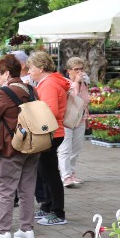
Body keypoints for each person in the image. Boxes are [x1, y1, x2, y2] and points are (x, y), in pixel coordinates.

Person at [0, 54, 39, 238]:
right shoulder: (31, 90)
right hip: (33, 146)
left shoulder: (3, 93)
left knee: (5, 189)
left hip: (11, 147)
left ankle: (2, 231)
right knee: (27, 189)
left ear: (7, 73)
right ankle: (26, 230)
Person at [27, 51, 70, 226]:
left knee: (50, 173)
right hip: (51, 132)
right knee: (44, 171)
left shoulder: (50, 84)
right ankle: (47, 206)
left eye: (31, 68)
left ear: (41, 68)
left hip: (51, 133)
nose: (29, 71)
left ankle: (58, 212)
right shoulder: (49, 82)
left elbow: (50, 111)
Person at [58, 57, 91, 187]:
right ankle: (65, 176)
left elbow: (85, 102)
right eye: (76, 69)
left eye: (81, 69)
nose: (79, 71)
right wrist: (76, 82)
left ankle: (71, 172)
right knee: (65, 149)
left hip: (80, 118)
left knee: (76, 149)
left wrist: (87, 117)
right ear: (69, 70)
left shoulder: (84, 83)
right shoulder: (64, 82)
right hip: (66, 119)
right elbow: (72, 96)